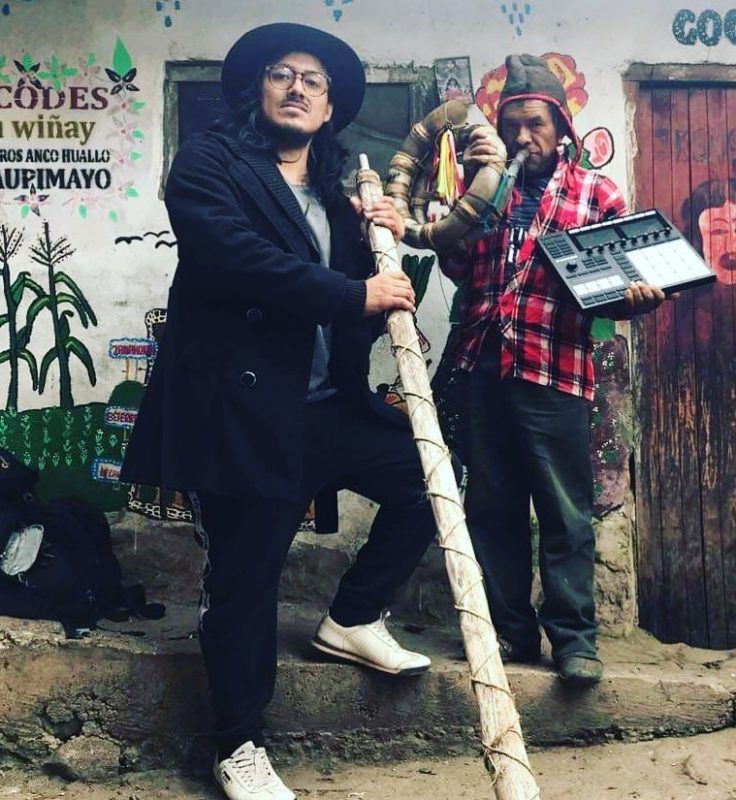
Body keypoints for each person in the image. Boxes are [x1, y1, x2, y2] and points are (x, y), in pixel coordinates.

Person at [121, 23, 446, 800]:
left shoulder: (337, 191)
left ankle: (352, 618)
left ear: (329, 109)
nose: (298, 88)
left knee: (431, 479)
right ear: (256, 90)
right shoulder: (209, 164)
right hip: (242, 410)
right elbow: (234, 258)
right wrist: (354, 291)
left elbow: (367, 296)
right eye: (282, 74)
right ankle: (238, 745)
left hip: (325, 406)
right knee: (246, 578)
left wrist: (388, 240)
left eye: (314, 81)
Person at [440, 54, 667, 687]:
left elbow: (618, 287)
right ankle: (510, 633)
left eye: (535, 123)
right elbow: (458, 269)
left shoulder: (598, 193)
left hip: (556, 371)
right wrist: (458, 216)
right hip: (484, 368)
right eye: (511, 124)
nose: (522, 137)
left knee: (565, 511)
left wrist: (636, 299)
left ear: (562, 127)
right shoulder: (485, 191)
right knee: (492, 506)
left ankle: (574, 641)